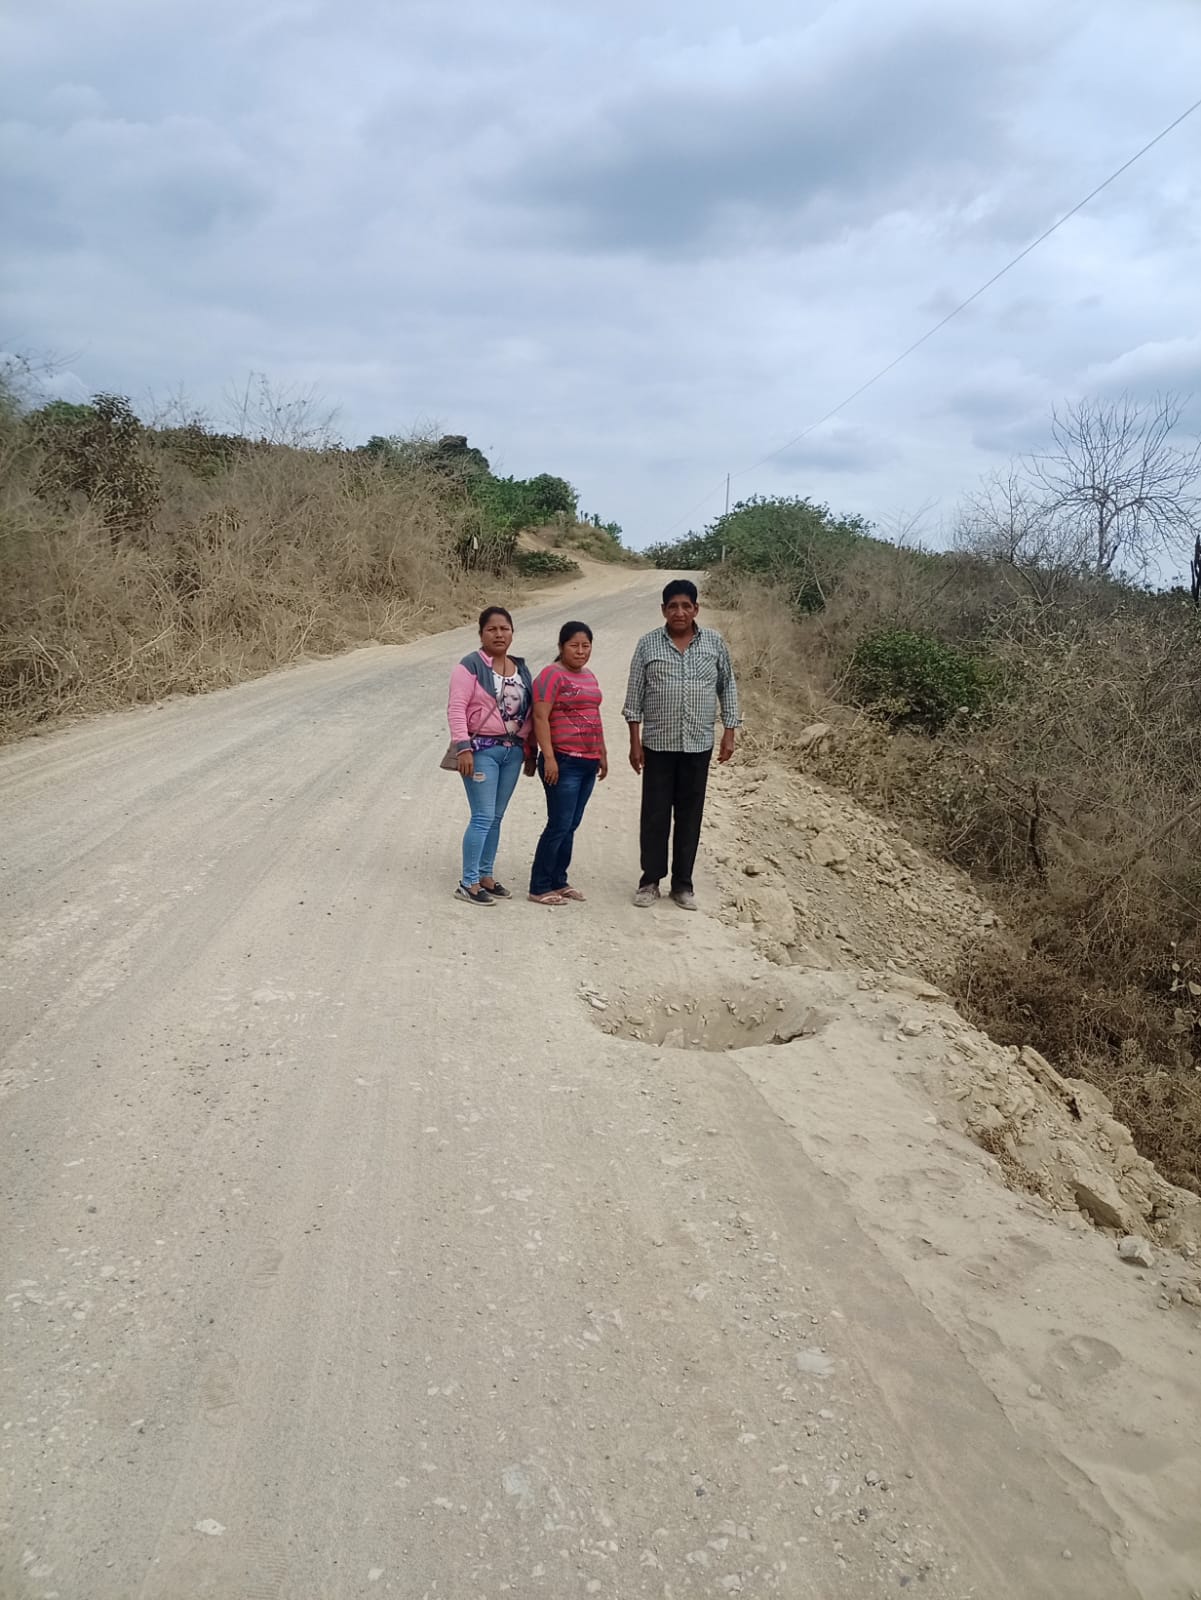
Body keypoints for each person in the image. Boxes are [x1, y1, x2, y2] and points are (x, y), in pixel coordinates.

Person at [622, 578, 740, 911]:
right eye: (673, 606)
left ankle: (683, 884)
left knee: (690, 816)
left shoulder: (714, 643)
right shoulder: (648, 644)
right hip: (658, 745)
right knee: (655, 815)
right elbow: (634, 697)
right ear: (663, 610)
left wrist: (729, 731)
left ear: (696, 609)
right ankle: (650, 881)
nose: (679, 612)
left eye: (686, 605)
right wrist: (634, 742)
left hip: (698, 745)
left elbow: (728, 687)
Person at [446, 606, 536, 905]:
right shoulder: (470, 666)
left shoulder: (521, 669)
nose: (499, 634)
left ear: (512, 632)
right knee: (483, 815)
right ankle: (468, 882)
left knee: (496, 817)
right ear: (481, 633)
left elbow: (530, 713)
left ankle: (485, 875)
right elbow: (456, 707)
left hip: (513, 752)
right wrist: (463, 748)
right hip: (481, 751)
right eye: (492, 629)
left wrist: (530, 751)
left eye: (504, 628)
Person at [527, 621, 608, 906]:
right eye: (574, 645)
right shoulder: (551, 675)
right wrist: (548, 757)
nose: (581, 651)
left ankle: (559, 880)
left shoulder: (589, 676)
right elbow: (540, 717)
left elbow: (594, 716)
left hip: (588, 761)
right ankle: (539, 886)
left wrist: (602, 753)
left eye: (586, 646)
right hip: (563, 760)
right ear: (561, 647)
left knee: (571, 824)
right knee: (559, 824)